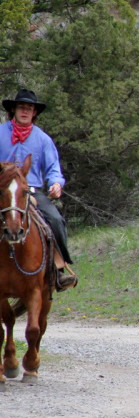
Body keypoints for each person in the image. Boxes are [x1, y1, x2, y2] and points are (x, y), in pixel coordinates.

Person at [0, 88, 77, 290]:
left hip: (31, 191)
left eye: (29, 108)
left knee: (56, 220)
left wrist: (56, 184)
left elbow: (53, 169)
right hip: (2, 190)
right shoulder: (0, 133)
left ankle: (58, 270)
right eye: (21, 107)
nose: (25, 111)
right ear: (14, 110)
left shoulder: (43, 139)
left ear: (34, 113)